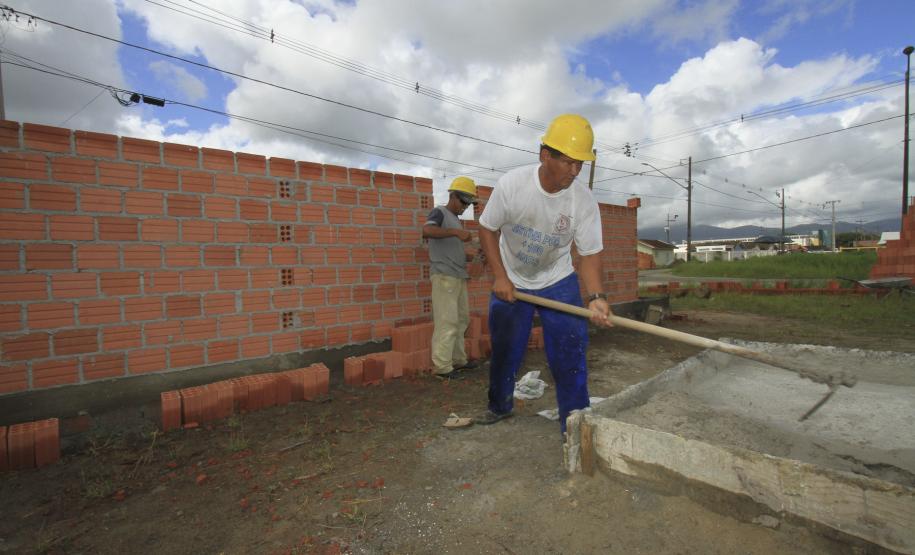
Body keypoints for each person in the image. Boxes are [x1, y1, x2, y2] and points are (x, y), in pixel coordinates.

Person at [476, 114, 612, 432]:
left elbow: (590, 254)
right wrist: (499, 276)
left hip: (557, 280)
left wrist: (596, 297)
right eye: (568, 162)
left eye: (581, 164)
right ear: (544, 155)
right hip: (512, 278)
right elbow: (486, 229)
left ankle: (575, 425)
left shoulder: (583, 201)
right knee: (506, 350)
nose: (575, 171)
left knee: (570, 352)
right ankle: (499, 405)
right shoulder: (513, 185)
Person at [422, 176, 481, 380]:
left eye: (469, 204)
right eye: (463, 202)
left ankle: (458, 360)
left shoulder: (456, 220)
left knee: (461, 319)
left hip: (457, 275)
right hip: (444, 276)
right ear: (453, 196)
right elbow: (427, 230)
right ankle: (442, 367)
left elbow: (452, 249)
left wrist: (473, 256)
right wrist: (456, 232)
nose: (465, 207)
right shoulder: (440, 212)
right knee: (447, 321)